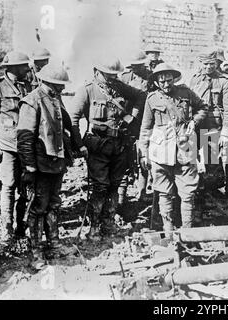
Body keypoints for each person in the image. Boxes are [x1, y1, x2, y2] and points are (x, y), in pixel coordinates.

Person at [69, 56, 145, 241]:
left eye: (114, 75)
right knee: (100, 187)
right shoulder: (87, 91)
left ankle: (109, 224)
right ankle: (95, 227)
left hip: (119, 146)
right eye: (107, 75)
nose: (111, 78)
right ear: (96, 72)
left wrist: (131, 117)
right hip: (98, 147)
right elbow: (73, 119)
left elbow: (141, 96)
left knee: (114, 185)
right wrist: (79, 145)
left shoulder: (120, 87)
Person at [17, 64, 76, 267]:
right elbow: (25, 138)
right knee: (37, 207)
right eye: (56, 86)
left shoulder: (54, 99)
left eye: (61, 86)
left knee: (54, 203)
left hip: (56, 163)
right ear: (45, 82)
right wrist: (30, 167)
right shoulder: (32, 101)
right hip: (40, 165)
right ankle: (36, 252)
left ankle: (54, 243)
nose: (60, 90)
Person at [139, 63, 207, 233]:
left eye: (169, 80)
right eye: (161, 82)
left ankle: (188, 232)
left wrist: (194, 121)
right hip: (161, 153)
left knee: (188, 193)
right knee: (164, 193)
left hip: (185, 150)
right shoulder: (152, 99)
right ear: (156, 82)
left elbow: (204, 107)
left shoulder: (186, 93)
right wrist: (144, 153)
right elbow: (146, 128)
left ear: (174, 79)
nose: (166, 85)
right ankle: (168, 231)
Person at [0, 51, 32, 240]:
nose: (27, 68)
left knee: (26, 186)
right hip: (6, 145)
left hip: (25, 145)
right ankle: (7, 226)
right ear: (13, 68)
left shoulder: (28, 86)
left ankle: (21, 225)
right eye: (23, 66)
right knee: (9, 184)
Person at [189, 50, 228, 197]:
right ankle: (196, 189)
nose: (208, 67)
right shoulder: (195, 79)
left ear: (216, 63)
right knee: (192, 158)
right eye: (205, 64)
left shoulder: (223, 81)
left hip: (214, 125)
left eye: (211, 64)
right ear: (200, 64)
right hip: (196, 124)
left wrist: (226, 130)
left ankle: (211, 192)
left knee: (212, 160)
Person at [118, 51, 150, 203]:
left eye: (138, 66)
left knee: (143, 155)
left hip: (147, 120)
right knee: (126, 155)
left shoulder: (152, 77)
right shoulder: (125, 77)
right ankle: (123, 192)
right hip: (130, 121)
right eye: (133, 66)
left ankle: (142, 191)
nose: (135, 69)